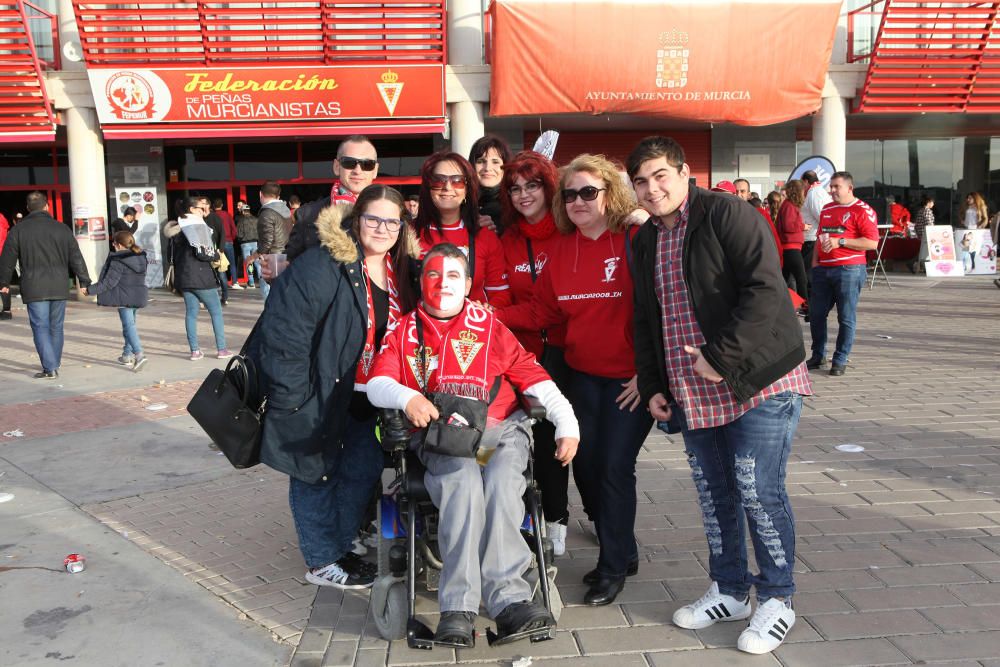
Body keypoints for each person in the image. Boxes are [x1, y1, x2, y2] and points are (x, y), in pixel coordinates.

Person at [627, 135, 812, 656]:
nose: (652, 188)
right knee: (715, 494)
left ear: (684, 172)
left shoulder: (726, 214)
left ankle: (777, 598)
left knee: (757, 489)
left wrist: (720, 355)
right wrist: (653, 384)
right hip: (692, 390)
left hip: (758, 379)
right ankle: (730, 590)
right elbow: (647, 318)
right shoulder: (644, 240)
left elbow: (766, 292)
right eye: (641, 181)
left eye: (661, 175)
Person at [366, 243, 580, 646]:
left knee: (500, 482)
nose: (442, 284)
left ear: (467, 284)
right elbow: (378, 383)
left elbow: (532, 375)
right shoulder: (404, 330)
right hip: (444, 438)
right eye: (433, 275)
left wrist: (566, 421)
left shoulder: (491, 327)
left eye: (452, 276)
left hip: (495, 435)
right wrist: (406, 397)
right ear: (421, 281)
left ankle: (510, 601)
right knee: (462, 483)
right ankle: (458, 607)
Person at [496, 153, 650, 606]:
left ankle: (612, 566)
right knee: (585, 464)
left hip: (630, 380)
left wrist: (648, 373)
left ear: (610, 194)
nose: (579, 201)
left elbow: (665, 305)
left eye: (589, 192)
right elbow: (543, 311)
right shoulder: (563, 248)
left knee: (615, 467)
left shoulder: (635, 239)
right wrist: (487, 317)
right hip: (582, 375)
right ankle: (624, 548)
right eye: (570, 194)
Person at [252, 185, 419, 591]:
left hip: (370, 395)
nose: (381, 228)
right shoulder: (323, 264)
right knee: (314, 474)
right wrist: (293, 398)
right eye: (373, 219)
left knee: (361, 471)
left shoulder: (402, 270)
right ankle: (321, 559)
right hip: (320, 391)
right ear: (356, 219)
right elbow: (284, 334)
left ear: (402, 226)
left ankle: (339, 545)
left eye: (390, 221)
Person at [497, 150, 572, 556]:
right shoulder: (505, 239)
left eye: (533, 185)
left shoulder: (569, 231)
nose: (524, 194)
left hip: (567, 350)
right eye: (515, 188)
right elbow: (503, 298)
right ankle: (547, 515)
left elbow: (561, 304)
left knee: (564, 436)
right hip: (522, 355)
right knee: (532, 439)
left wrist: (504, 313)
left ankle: (561, 516)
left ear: (548, 187)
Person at [0, 191, 91, 378]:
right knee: (56, 326)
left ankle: (50, 367)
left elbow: (7, 259)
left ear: (27, 209)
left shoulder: (18, 230)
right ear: (47, 206)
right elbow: (76, 256)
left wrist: (3, 282)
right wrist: (84, 279)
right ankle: (53, 364)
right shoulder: (61, 228)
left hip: (34, 286)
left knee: (40, 327)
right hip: (59, 285)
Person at [411, 150, 512, 307]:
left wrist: (486, 310)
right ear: (428, 187)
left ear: (467, 189)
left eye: (457, 181)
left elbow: (500, 294)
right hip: (421, 327)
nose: (447, 187)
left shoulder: (485, 236)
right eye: (438, 180)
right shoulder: (409, 234)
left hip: (470, 328)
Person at [807, 171, 878, 376]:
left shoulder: (863, 210)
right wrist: (815, 265)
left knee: (845, 317)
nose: (832, 191)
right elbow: (820, 237)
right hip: (823, 269)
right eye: (831, 187)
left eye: (837, 187)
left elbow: (872, 243)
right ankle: (818, 355)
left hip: (849, 269)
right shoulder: (828, 208)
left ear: (849, 188)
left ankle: (840, 358)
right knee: (817, 314)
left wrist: (842, 242)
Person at [286, 135, 379, 260]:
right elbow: (291, 264)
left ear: (375, 170)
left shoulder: (392, 214)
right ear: (336, 167)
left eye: (367, 164)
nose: (358, 170)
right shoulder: (307, 215)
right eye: (349, 163)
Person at [165, 196, 230, 360]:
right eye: (201, 208)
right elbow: (203, 253)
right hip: (202, 276)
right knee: (216, 312)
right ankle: (221, 349)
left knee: (191, 313)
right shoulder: (197, 226)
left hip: (184, 277)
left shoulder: (178, 228)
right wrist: (215, 254)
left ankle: (194, 351)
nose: (204, 210)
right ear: (192, 209)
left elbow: (169, 255)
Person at [85, 230, 149, 371]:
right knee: (130, 325)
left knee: (129, 326)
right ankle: (126, 355)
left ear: (119, 245)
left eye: (114, 243)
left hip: (123, 297)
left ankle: (139, 355)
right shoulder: (141, 257)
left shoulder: (118, 260)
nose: (113, 246)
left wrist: (89, 290)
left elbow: (109, 283)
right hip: (138, 295)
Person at [256, 181, 293, 300]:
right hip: (288, 254)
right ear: (278, 196)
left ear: (260, 194)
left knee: (275, 295)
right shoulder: (286, 210)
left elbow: (267, 240)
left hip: (274, 257)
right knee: (284, 291)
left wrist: (260, 254)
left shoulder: (266, 213)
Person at [470, 135, 513, 233]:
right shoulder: (463, 204)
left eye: (495, 162)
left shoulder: (516, 203)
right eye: (481, 161)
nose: (487, 168)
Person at [777, 180, 809, 306]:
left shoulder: (788, 205)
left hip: (789, 248)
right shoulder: (789, 206)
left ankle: (783, 305)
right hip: (790, 248)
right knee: (801, 279)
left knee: (785, 279)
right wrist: (802, 226)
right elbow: (788, 226)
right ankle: (805, 306)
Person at [800, 170, 831, 275]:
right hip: (812, 238)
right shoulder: (817, 191)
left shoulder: (814, 193)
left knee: (808, 275)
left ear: (806, 181)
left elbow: (821, 216)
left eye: (802, 183)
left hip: (812, 239)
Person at [213, 198, 241, 290]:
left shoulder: (212, 216)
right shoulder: (227, 215)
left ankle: (222, 283)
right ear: (221, 205)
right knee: (232, 263)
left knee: (220, 264)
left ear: (213, 206)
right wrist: (231, 238)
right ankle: (235, 282)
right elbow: (234, 229)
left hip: (217, 243)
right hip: (228, 241)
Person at [235, 200, 259, 288]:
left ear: (243, 211)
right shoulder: (256, 219)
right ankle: (261, 279)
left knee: (249, 263)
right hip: (255, 242)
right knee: (257, 261)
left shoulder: (241, 220)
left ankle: (251, 282)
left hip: (245, 243)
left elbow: (239, 233)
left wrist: (239, 239)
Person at [909, 194, 934, 274]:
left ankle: (921, 266)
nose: (933, 204)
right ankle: (913, 263)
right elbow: (928, 222)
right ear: (929, 202)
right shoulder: (927, 211)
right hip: (926, 233)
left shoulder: (920, 210)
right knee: (925, 251)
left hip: (921, 233)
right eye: (932, 202)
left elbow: (917, 225)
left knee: (923, 251)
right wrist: (934, 231)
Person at [0, 212, 11, 320]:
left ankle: (6, 311)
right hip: (3, 253)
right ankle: (7, 310)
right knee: (3, 282)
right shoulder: (2, 218)